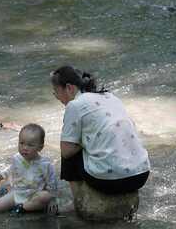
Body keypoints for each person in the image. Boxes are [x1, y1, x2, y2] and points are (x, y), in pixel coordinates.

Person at [51, 65, 150, 209]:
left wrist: (83, 141)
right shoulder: (111, 96)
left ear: (69, 88)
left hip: (109, 181)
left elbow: (66, 151)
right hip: (141, 175)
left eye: (56, 92)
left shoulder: (75, 105)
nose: (57, 98)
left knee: (68, 148)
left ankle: (79, 202)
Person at [0, 124, 57, 214]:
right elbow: (9, 170)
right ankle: (23, 207)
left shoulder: (45, 165)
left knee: (45, 196)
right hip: (17, 193)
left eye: (30, 145)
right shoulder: (17, 158)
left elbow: (52, 184)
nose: (24, 148)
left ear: (40, 147)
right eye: (21, 143)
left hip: (34, 195)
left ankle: (23, 208)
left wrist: (53, 200)